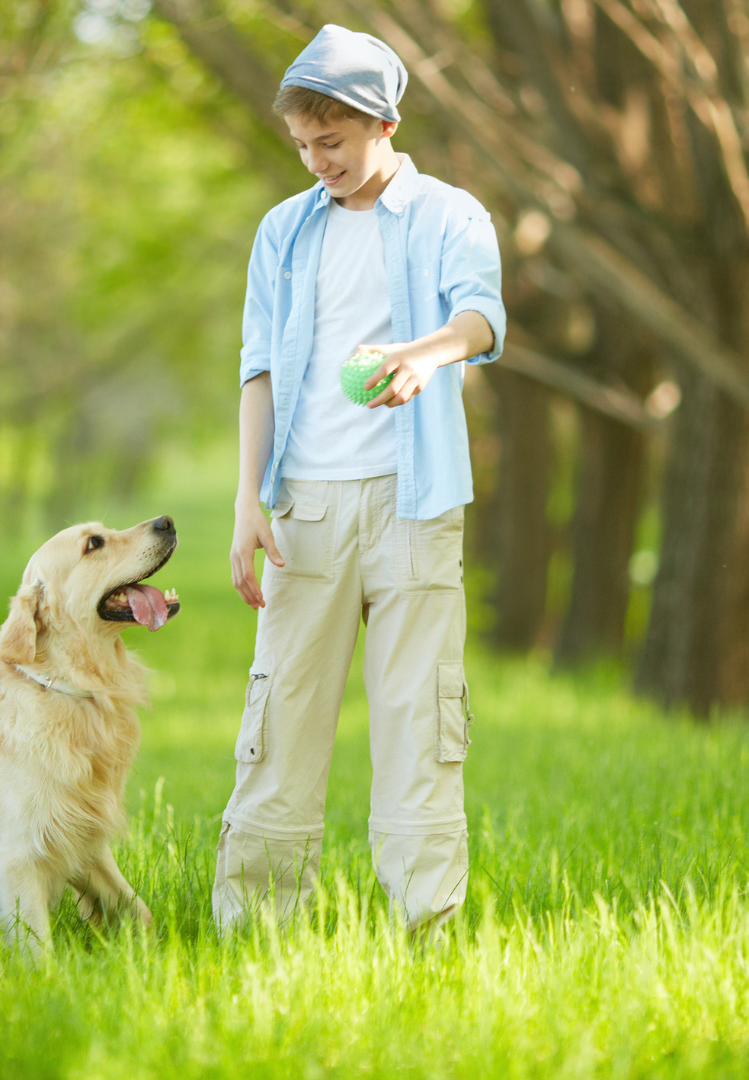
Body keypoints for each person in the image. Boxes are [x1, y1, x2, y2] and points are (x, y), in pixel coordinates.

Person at [216, 23, 506, 934]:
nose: (316, 161)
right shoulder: (283, 231)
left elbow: (482, 318)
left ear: (383, 122)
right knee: (281, 720)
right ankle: (253, 933)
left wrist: (426, 356)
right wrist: (248, 502)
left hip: (414, 503)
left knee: (419, 722)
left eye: (331, 142)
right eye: (303, 145)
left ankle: (425, 932)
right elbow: (258, 365)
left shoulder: (450, 214)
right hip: (306, 505)